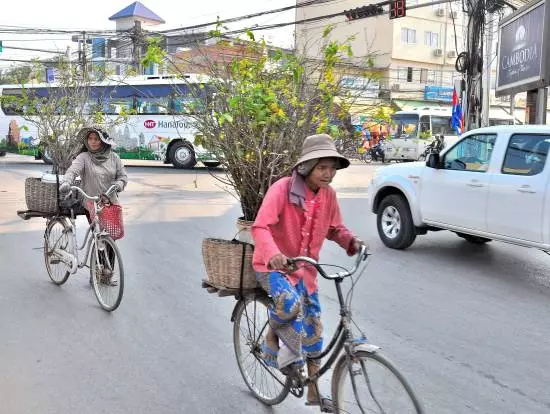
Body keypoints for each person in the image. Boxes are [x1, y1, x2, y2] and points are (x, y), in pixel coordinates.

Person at [251, 134, 364, 413]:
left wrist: (352, 242)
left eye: (332, 168)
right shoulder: (282, 189)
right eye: (322, 167)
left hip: (307, 271)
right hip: (273, 267)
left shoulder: (329, 196)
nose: (329, 174)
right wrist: (273, 253)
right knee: (289, 304)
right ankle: (272, 339)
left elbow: (334, 228)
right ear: (307, 166)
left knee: (314, 327)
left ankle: (314, 391)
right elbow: (260, 227)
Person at [60, 127, 127, 285]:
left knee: (110, 238)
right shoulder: (83, 157)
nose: (93, 142)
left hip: (109, 202)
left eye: (96, 139)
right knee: (99, 235)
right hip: (90, 201)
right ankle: (97, 273)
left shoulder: (114, 157)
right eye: (90, 139)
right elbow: (73, 170)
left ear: (103, 141)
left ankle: (105, 272)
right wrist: (66, 181)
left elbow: (123, 176)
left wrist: (119, 184)